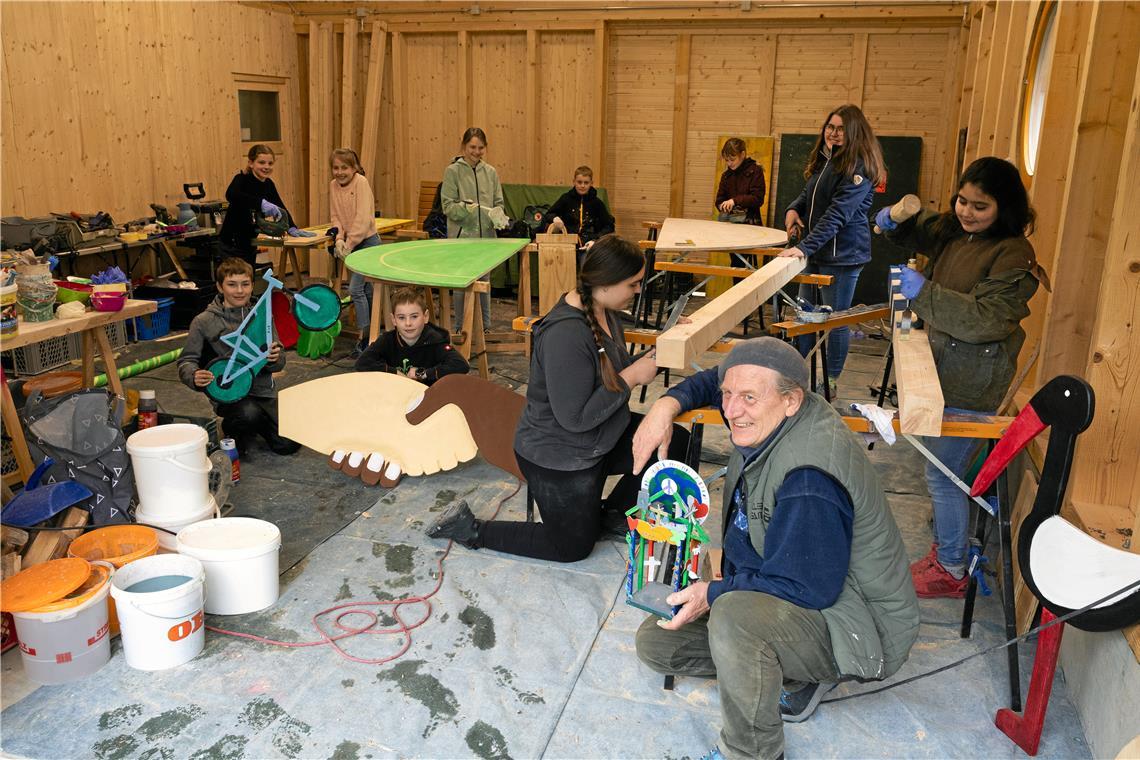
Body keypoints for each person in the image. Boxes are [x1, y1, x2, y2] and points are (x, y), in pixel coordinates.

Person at [630, 337, 919, 760]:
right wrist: (665, 406)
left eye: (748, 398)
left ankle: (752, 752)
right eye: (728, 396)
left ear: (790, 400)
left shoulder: (809, 479)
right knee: (656, 644)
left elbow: (809, 586)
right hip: (790, 586)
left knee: (734, 617)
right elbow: (724, 379)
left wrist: (714, 594)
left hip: (852, 623)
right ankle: (789, 672)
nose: (730, 410)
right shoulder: (782, 404)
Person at [425, 234, 690, 562]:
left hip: (602, 435)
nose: (638, 291)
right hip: (560, 455)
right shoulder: (565, 334)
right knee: (572, 548)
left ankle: (609, 516)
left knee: (674, 441)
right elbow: (574, 419)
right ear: (606, 283)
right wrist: (631, 378)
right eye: (633, 284)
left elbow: (613, 366)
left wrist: (667, 342)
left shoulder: (603, 309)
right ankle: (472, 529)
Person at [879, 156, 1044, 598]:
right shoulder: (958, 230)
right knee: (942, 464)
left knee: (943, 473)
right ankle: (949, 543)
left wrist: (923, 291)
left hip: (974, 377)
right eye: (962, 201)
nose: (966, 212)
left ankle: (951, 567)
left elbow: (985, 321)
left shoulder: (1013, 255)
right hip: (942, 364)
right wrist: (894, 220)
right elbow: (919, 226)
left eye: (980, 206)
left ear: (1004, 208)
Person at [779, 105, 885, 395]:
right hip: (816, 251)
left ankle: (831, 382)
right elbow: (808, 194)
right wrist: (792, 211)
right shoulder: (827, 160)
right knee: (804, 315)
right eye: (830, 127)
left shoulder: (858, 167)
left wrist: (801, 248)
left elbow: (837, 216)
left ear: (854, 133)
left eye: (841, 129)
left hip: (842, 257)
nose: (834, 134)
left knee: (834, 320)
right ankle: (797, 376)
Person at [178, 257, 300, 457]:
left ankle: (258, 422)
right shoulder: (203, 321)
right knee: (247, 415)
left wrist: (275, 358)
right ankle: (232, 427)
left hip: (262, 393)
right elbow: (187, 360)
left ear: (253, 286)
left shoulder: (262, 315)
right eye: (232, 285)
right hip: (230, 396)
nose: (240, 291)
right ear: (219, 287)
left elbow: (279, 362)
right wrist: (193, 375)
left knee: (287, 445)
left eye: (245, 284)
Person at [441, 127, 505, 335]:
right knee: (462, 284)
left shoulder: (491, 172)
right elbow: (447, 206)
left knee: (484, 283)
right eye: (472, 147)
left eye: (480, 148)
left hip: (486, 239)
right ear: (464, 146)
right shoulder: (453, 172)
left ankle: (484, 328)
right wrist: (464, 209)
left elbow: (498, 202)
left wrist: (498, 216)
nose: (476, 152)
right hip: (462, 239)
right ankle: (460, 328)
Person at [354, 287, 469, 384]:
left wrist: (423, 374)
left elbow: (461, 365)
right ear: (393, 320)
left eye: (414, 316)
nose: (408, 323)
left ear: (426, 317)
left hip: (427, 398)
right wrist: (394, 373)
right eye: (401, 317)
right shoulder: (387, 340)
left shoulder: (435, 340)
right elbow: (362, 362)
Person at [328, 147, 381, 357]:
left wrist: (348, 244)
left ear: (354, 168)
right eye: (335, 168)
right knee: (365, 292)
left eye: (344, 167)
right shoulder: (333, 186)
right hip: (350, 243)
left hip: (367, 242)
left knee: (356, 290)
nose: (340, 172)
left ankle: (364, 339)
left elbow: (362, 219)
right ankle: (371, 335)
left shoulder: (361, 183)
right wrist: (339, 238)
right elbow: (336, 216)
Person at [219, 144, 296, 267]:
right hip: (231, 243)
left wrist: (291, 227)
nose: (266, 167)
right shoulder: (241, 179)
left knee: (248, 280)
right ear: (251, 163)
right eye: (261, 162)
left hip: (249, 242)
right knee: (235, 279)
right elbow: (231, 194)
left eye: (270, 164)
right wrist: (260, 203)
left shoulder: (268, 184)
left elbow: (281, 208)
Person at [542, 165, 616, 252]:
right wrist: (555, 218)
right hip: (567, 242)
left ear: (591, 183)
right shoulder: (566, 198)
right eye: (579, 182)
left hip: (589, 245)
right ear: (574, 182)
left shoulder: (597, 203)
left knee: (586, 261)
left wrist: (595, 240)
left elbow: (609, 226)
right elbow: (548, 214)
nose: (582, 185)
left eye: (586, 183)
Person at [715, 138, 766, 224]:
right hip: (729, 222)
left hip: (750, 222)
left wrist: (734, 201)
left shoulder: (755, 171)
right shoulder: (726, 176)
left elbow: (758, 199)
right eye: (727, 160)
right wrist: (723, 206)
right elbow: (719, 200)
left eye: (732, 160)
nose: (729, 163)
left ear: (742, 154)